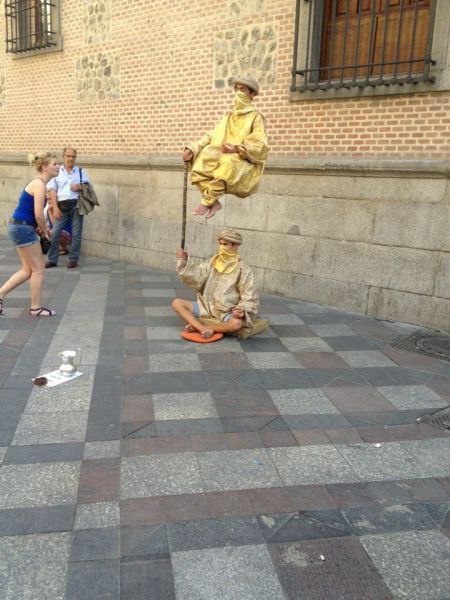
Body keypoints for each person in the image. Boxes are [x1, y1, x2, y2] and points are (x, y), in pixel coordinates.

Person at [182, 75, 268, 219]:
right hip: (222, 154)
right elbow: (211, 135)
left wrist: (236, 149)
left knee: (227, 163)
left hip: (242, 160)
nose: (238, 93)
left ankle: (207, 201)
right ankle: (214, 202)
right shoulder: (228, 116)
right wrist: (192, 148)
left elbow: (259, 143)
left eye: (243, 89)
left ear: (252, 94)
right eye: (236, 89)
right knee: (202, 161)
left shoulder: (256, 117)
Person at [0, 152, 59, 317]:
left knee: (27, 270)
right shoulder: (39, 184)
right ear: (44, 167)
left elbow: (34, 214)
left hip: (19, 226)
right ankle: (36, 308)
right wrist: (46, 231)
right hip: (23, 228)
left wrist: (39, 228)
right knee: (39, 268)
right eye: (55, 164)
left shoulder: (38, 183)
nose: (58, 167)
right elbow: (39, 214)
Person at [172, 229, 259, 339]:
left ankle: (199, 327)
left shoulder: (244, 270)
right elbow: (195, 277)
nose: (222, 247)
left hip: (226, 312)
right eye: (220, 244)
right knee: (177, 303)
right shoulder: (212, 262)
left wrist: (240, 310)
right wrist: (183, 261)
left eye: (225, 244)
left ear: (235, 245)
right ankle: (203, 329)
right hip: (205, 307)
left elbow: (249, 296)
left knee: (236, 324)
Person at [45, 147, 90, 269]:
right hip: (62, 207)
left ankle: (73, 259)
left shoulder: (80, 171)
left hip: (76, 206)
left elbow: (88, 186)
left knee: (76, 234)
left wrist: (78, 186)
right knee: (55, 233)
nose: (71, 158)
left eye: (73, 156)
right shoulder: (57, 171)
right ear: (63, 157)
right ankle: (52, 259)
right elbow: (52, 189)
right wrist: (55, 207)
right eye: (68, 156)